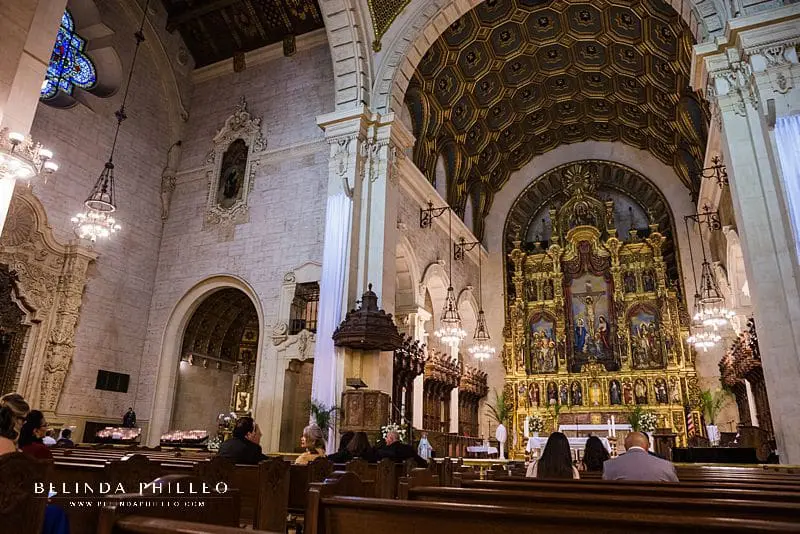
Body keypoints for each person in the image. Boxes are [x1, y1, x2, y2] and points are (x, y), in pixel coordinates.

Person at [602, 432, 679, 482]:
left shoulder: (609, 465)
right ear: (648, 446)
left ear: (625, 446)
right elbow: (675, 487)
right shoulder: (666, 465)